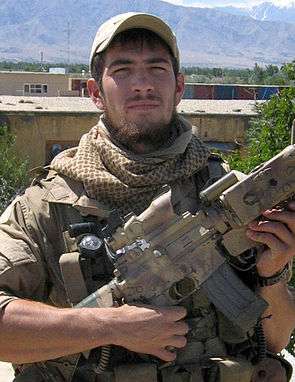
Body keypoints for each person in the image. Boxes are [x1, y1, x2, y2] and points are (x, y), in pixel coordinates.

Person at [0, 12, 294, 382]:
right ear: (95, 93)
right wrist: (111, 326)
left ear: (179, 86)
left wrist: (272, 274)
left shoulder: (223, 189)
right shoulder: (45, 205)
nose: (142, 84)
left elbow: (273, 339)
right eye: (122, 71)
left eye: (157, 69)